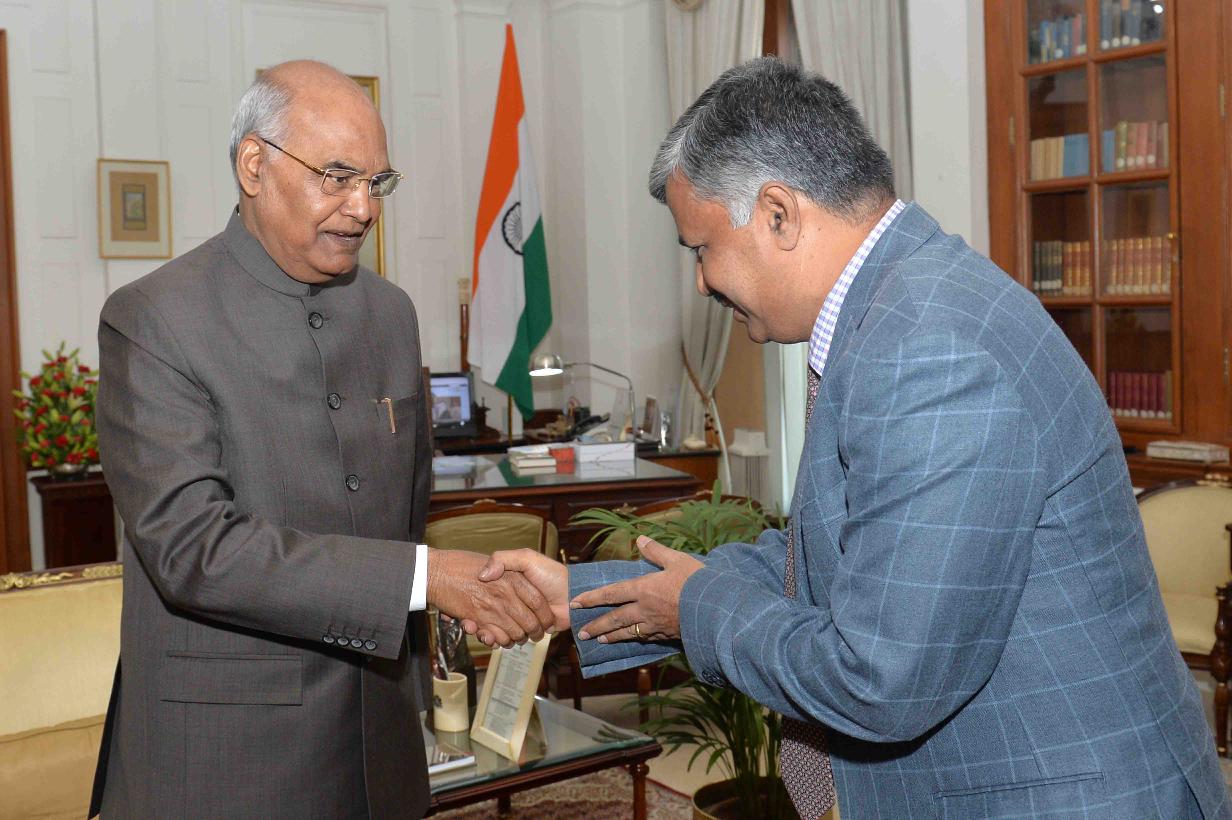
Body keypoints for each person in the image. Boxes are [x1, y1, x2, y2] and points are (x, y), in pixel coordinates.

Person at [480, 58, 1229, 818]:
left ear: (778, 213)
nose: (701, 282)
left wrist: (696, 608)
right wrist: (581, 596)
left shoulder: (929, 348)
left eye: (700, 248)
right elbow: (826, 560)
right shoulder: (900, 312)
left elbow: (881, 678)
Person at [89, 60, 552, 819]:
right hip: (227, 761)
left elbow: (406, 515)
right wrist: (429, 578)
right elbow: (194, 550)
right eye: (337, 177)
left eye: (377, 182)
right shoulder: (155, 319)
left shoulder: (391, 314)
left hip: (380, 746)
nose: (362, 208)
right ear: (254, 165)